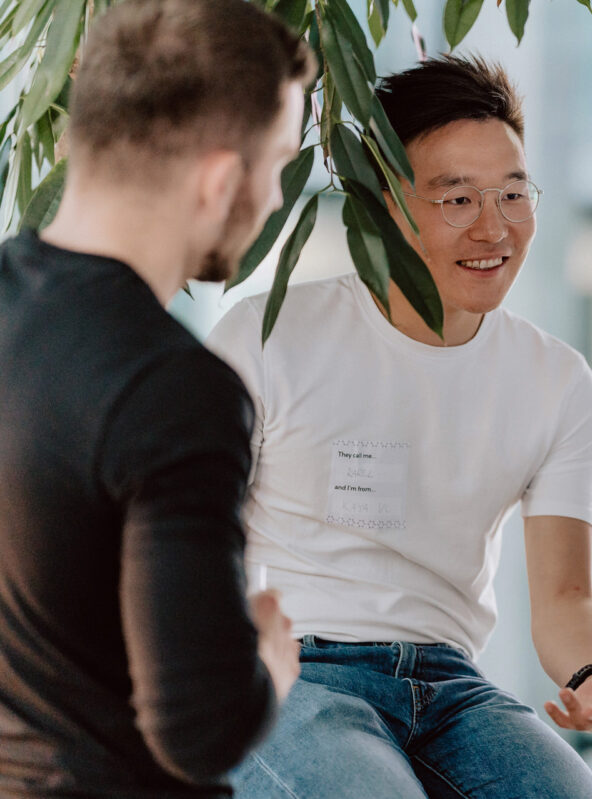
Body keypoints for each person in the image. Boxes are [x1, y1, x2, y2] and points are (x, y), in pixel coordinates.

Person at [206, 55, 592, 798]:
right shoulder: (266, 334)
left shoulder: (558, 380)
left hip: (449, 682)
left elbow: (566, 596)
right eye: (458, 198)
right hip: (292, 669)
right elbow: (185, 536)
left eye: (513, 192)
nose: (494, 225)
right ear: (385, 202)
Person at [0, 1, 316, 795]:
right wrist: (267, 663)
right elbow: (199, 730)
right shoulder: (180, 391)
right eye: (278, 161)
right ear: (217, 180)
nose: (278, 198)